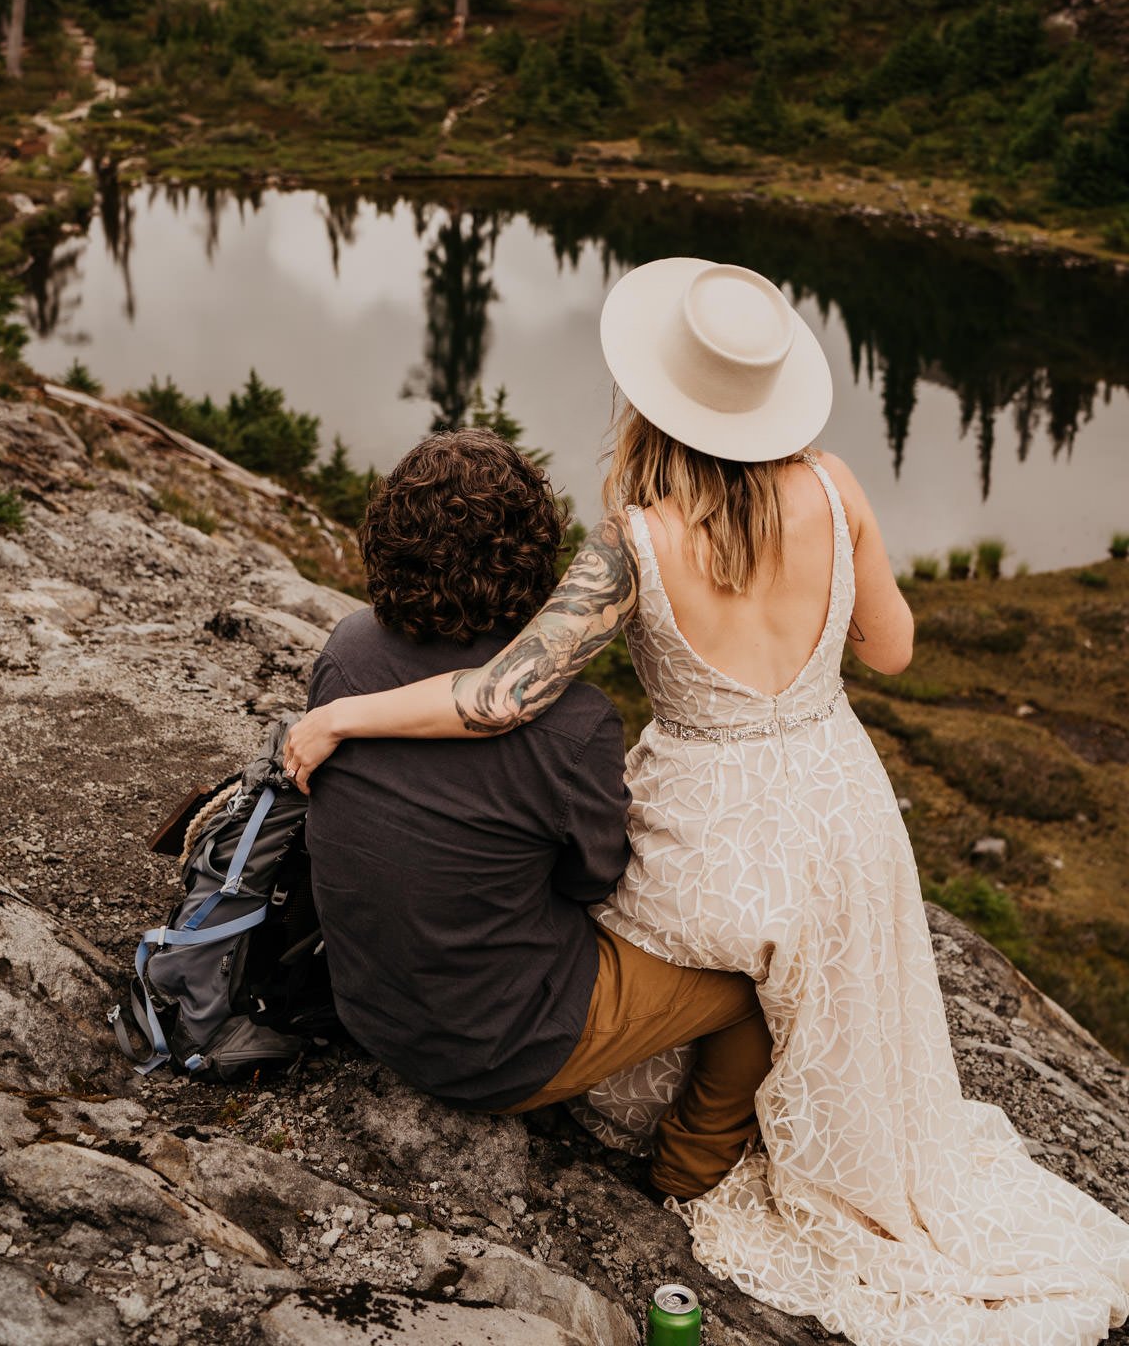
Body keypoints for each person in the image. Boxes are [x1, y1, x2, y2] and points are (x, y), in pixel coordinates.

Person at [287, 259, 1129, 1346]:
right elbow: (896, 648)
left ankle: (687, 1143)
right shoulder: (835, 486)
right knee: (804, 977)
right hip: (835, 799)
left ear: (654, 397)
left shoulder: (635, 539)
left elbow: (503, 696)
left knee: (650, 932)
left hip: (710, 816)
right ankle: (793, 1145)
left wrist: (342, 717)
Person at [301, 426, 772, 1204]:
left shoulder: (348, 650)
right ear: (532, 559)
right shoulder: (573, 724)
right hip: (493, 1054)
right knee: (756, 984)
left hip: (365, 1005)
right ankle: (684, 1178)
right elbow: (598, 881)